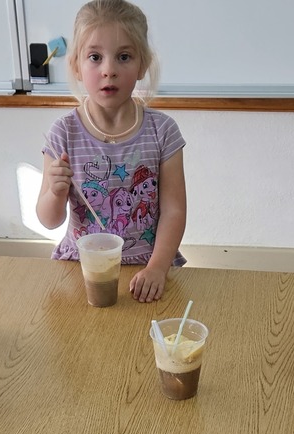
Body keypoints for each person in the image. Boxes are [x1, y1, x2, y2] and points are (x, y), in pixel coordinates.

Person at [36, 0, 186, 303]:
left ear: (143, 64)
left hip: (148, 266)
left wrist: (157, 268)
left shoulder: (163, 131)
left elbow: (174, 210)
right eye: (95, 57)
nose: (109, 70)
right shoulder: (63, 132)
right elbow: (48, 219)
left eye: (124, 57)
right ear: (77, 65)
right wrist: (54, 192)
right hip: (82, 268)